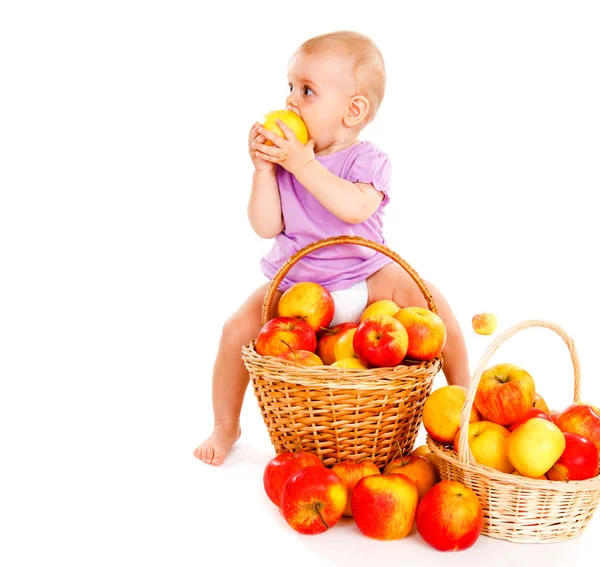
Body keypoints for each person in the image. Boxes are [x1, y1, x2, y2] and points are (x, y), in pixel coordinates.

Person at [194, 30, 470, 466]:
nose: (290, 101)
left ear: (352, 110)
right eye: (289, 87)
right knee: (234, 331)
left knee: (432, 300)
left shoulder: (367, 160)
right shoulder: (289, 159)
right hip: (297, 288)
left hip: (367, 279)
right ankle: (226, 424)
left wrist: (303, 165)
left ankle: (463, 399)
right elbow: (265, 225)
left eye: (307, 91)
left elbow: (354, 208)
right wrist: (264, 171)